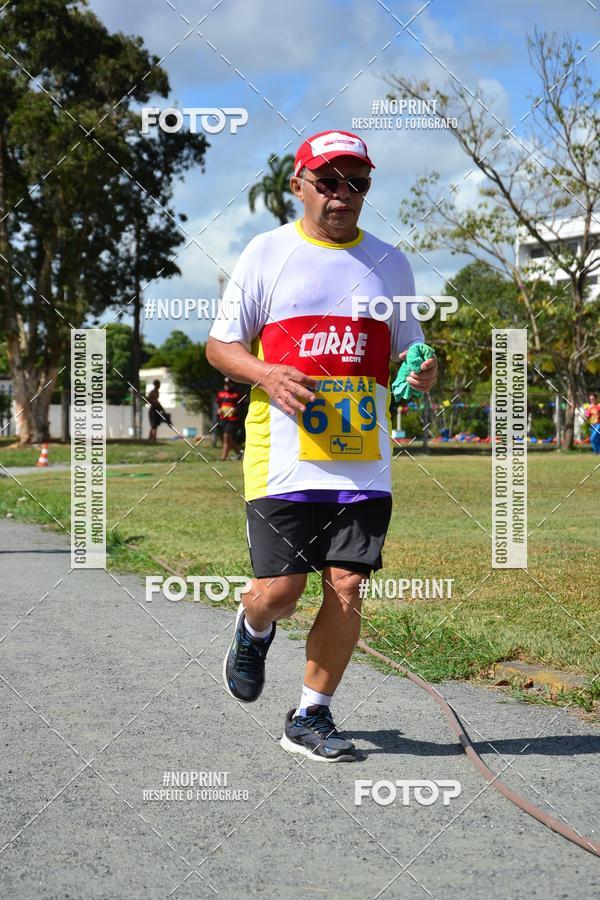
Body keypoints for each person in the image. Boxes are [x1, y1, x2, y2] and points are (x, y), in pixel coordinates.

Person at [207, 129, 437, 763]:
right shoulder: (266, 253)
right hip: (284, 458)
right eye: (328, 181)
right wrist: (265, 372)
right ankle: (253, 627)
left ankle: (311, 715)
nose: (342, 194)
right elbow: (220, 347)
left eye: (355, 182)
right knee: (280, 592)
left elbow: (408, 353)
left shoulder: (391, 262)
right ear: (298, 184)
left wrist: (420, 370)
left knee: (346, 586)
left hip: (363, 459)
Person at [216, 377, 243, 460]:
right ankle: (239, 453)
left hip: (233, 419)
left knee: (226, 436)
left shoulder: (237, 394)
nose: (226, 386)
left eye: (228, 384)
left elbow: (241, 406)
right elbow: (217, 405)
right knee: (228, 439)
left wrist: (235, 409)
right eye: (225, 384)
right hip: (223, 419)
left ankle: (223, 457)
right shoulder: (220, 393)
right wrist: (218, 410)